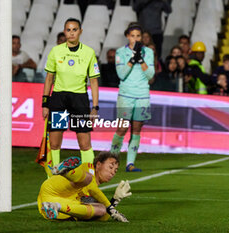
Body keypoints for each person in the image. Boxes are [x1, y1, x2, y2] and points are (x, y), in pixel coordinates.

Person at [42, 18, 100, 166]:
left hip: (79, 100)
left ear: (80, 31)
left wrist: (95, 107)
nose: (71, 33)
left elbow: (93, 81)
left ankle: (89, 176)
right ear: (64, 32)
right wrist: (45, 104)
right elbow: (49, 79)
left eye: (75, 29)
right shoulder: (56, 51)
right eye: (68, 30)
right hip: (59, 99)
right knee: (54, 143)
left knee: (84, 142)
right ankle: (54, 177)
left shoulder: (89, 52)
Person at [110, 22, 155, 172]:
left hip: (142, 95)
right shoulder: (120, 52)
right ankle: (112, 160)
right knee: (121, 129)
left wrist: (140, 60)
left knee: (136, 130)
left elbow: (150, 75)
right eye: (132, 36)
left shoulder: (148, 52)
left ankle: (130, 164)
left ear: (141, 37)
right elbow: (121, 74)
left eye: (138, 36)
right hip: (126, 95)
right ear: (127, 36)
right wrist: (132, 60)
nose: (135, 39)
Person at [38, 152, 131, 222]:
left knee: (101, 209)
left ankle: (55, 207)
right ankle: (66, 172)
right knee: (88, 179)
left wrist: (115, 200)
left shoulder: (94, 192)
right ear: (98, 165)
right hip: (52, 189)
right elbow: (92, 188)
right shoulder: (88, 167)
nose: (112, 173)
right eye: (110, 167)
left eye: (115, 171)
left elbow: (103, 218)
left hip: (52, 206)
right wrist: (111, 209)